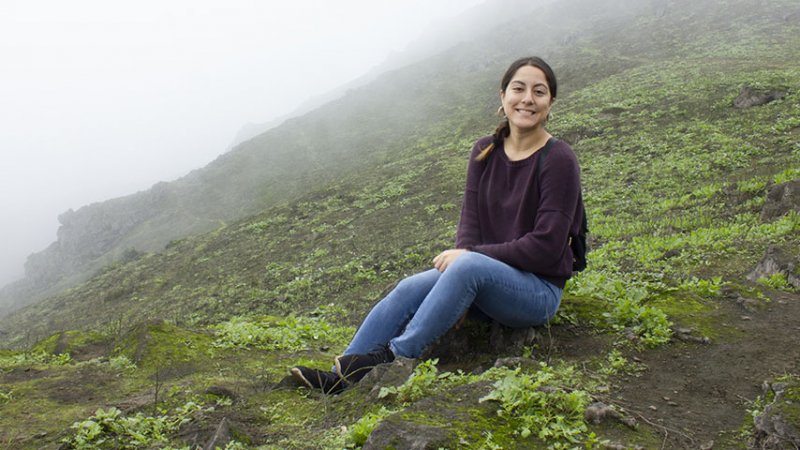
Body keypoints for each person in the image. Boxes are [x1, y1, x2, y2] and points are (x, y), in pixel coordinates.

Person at [291, 56, 584, 394]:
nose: (527, 99)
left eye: (539, 92)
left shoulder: (558, 158)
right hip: (484, 278)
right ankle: (338, 375)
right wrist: (458, 284)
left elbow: (546, 247)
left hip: (536, 291)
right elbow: (469, 227)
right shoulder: (485, 151)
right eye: (518, 89)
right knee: (408, 287)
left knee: (467, 265)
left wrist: (469, 261)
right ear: (502, 96)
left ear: (550, 104)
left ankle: (391, 358)